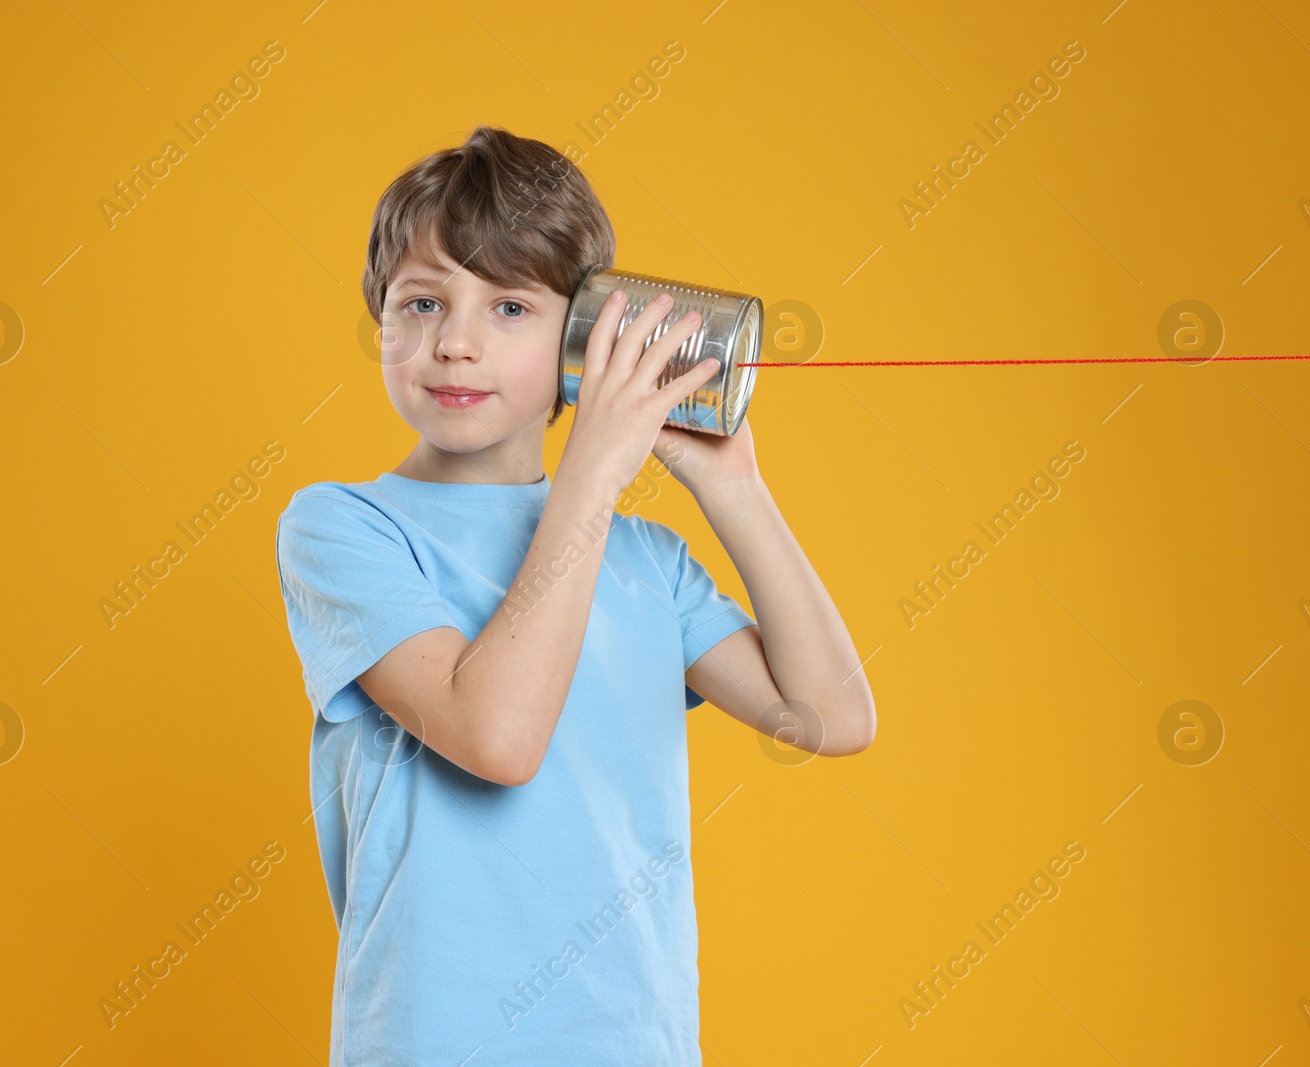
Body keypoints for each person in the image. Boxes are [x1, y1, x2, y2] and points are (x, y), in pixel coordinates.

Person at [274, 124, 876, 1065]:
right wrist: (593, 471)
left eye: (510, 308)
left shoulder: (650, 560)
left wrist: (734, 488)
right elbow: (498, 739)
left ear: (586, 337)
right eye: (422, 302)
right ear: (381, 320)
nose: (457, 343)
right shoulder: (343, 529)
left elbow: (830, 717)